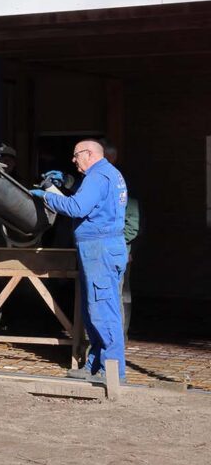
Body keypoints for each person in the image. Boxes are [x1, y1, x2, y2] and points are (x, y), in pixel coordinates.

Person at [29, 139, 128, 383]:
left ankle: (112, 372)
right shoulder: (108, 174)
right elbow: (92, 202)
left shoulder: (98, 176)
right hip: (102, 247)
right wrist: (66, 182)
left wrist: (47, 196)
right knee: (93, 309)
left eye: (76, 156)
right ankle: (95, 366)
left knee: (103, 310)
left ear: (90, 154)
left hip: (99, 249)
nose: (73, 160)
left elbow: (76, 207)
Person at [102, 142, 140, 338]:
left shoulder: (120, 180)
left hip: (120, 248)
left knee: (120, 293)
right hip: (105, 247)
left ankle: (120, 334)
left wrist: (122, 244)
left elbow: (132, 222)